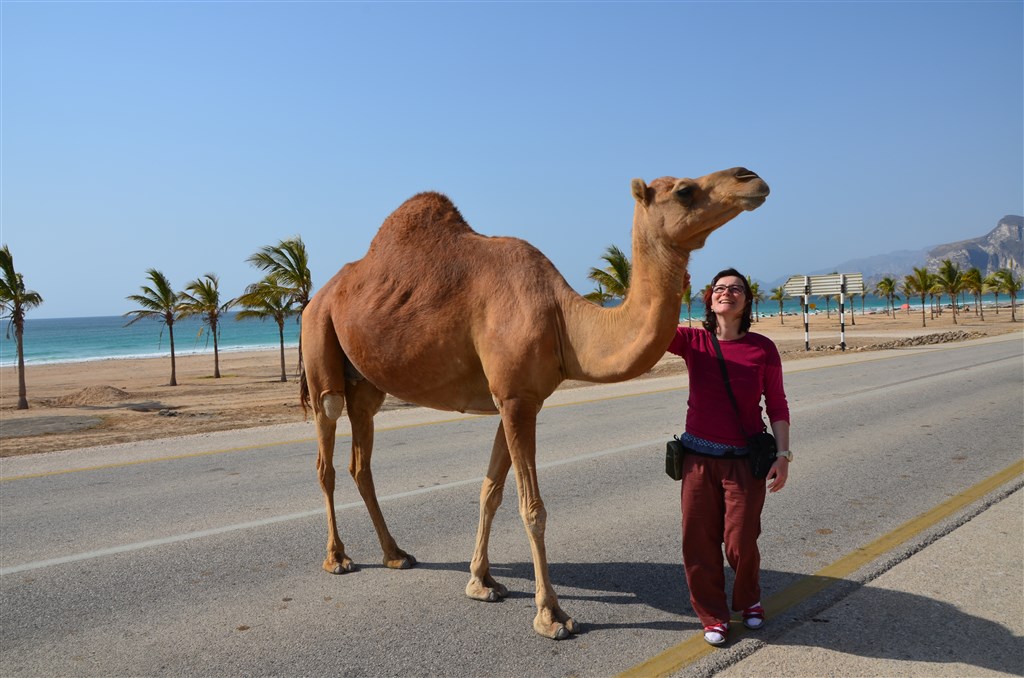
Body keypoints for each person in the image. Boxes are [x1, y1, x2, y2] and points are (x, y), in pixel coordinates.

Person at [667, 268, 791, 646]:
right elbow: (652, 330)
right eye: (719, 288)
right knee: (698, 542)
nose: (727, 292)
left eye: (736, 288)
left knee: (741, 540)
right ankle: (713, 615)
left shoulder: (762, 348)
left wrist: (783, 454)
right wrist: (672, 290)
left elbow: (777, 403)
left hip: (744, 461)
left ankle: (748, 598)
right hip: (698, 460)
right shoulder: (692, 341)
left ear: (747, 301)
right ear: (709, 300)